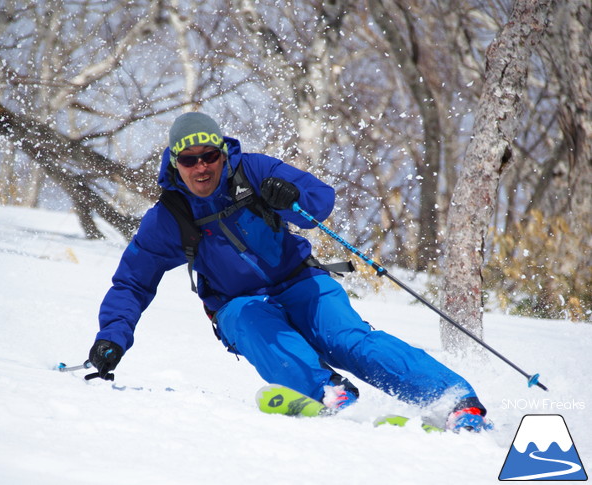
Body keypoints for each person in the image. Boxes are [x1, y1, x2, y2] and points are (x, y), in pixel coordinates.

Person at [89, 112, 491, 431]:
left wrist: (290, 197)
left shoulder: (255, 171)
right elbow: (132, 282)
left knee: (347, 340)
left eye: (209, 156)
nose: (201, 168)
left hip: (301, 281)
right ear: (176, 164)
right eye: (189, 160)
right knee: (253, 321)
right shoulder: (168, 217)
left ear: (222, 154)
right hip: (237, 303)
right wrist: (113, 338)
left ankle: (454, 400)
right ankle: (327, 391)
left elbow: (319, 202)